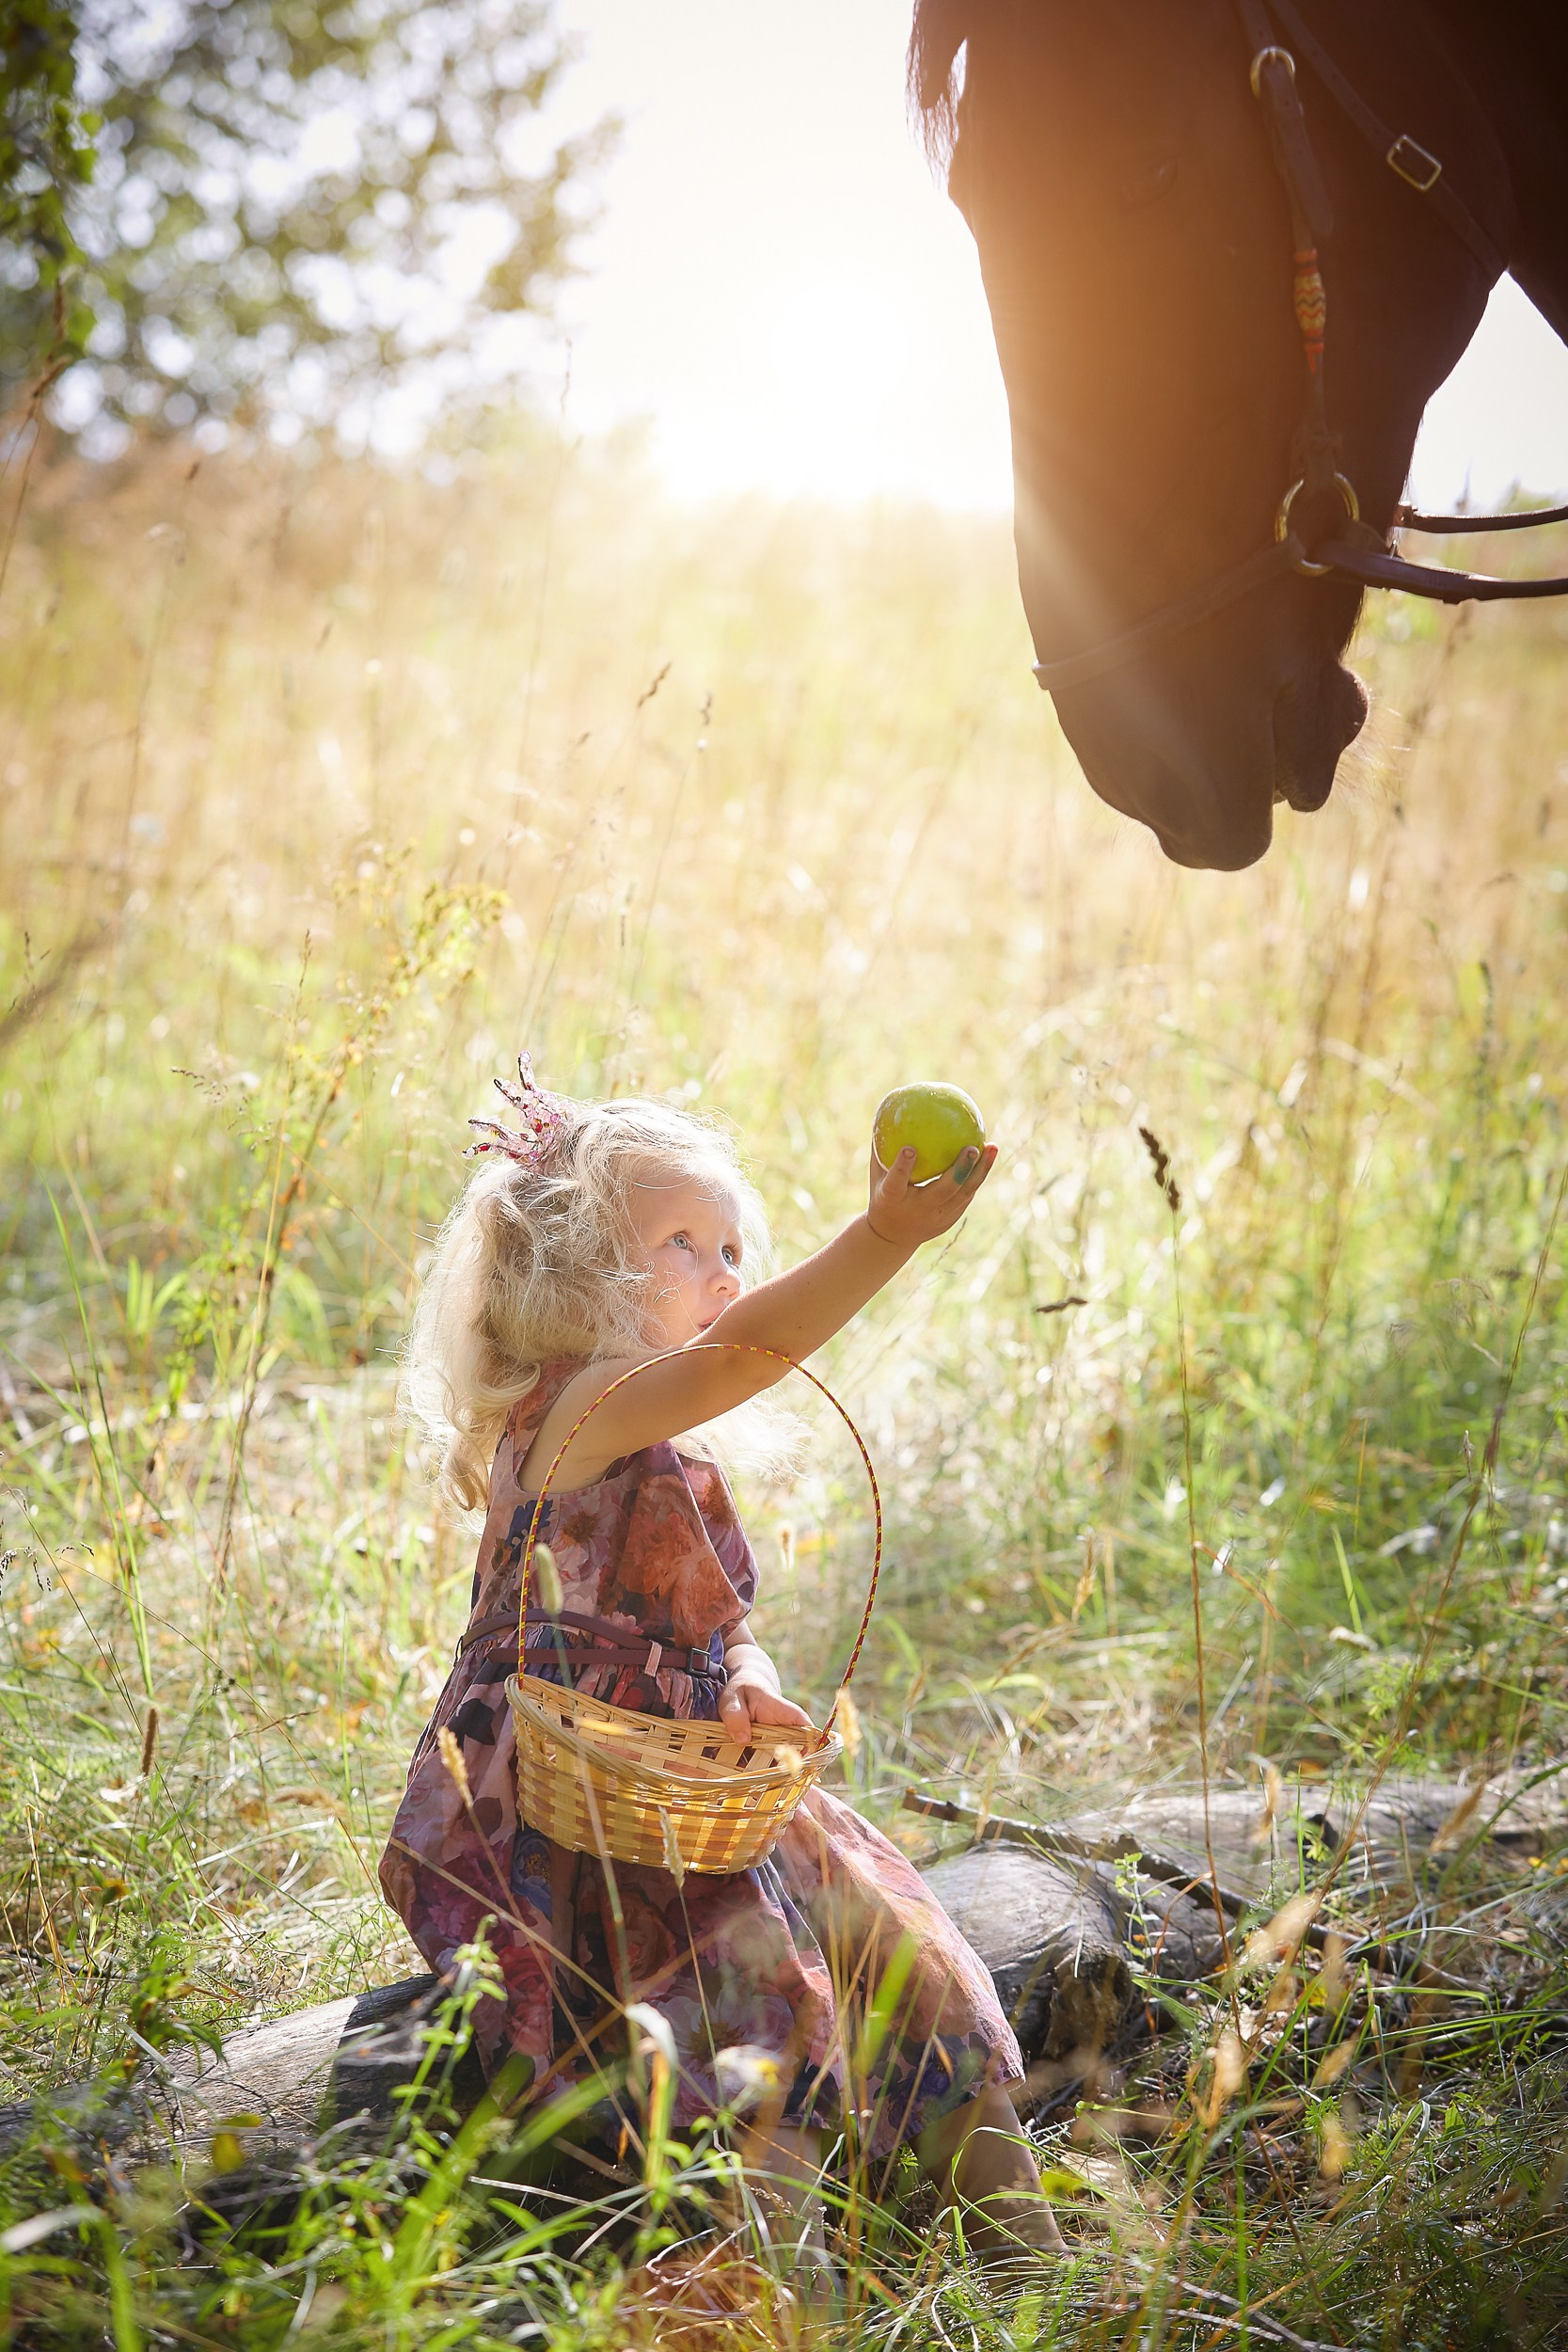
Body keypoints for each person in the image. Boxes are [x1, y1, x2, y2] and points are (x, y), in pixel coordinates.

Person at [380, 1057, 1063, 2267]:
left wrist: (746, 1671)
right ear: (574, 1266)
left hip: (699, 1786)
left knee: (902, 1952)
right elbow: (748, 1353)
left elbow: (712, 1616)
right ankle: (782, 2296)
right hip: (590, 1803)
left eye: (730, 1246)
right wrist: (883, 1236)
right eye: (681, 1243)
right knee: (747, 2016)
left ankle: (1037, 2261)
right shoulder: (576, 1412)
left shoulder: (663, 1444)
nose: (723, 1272)